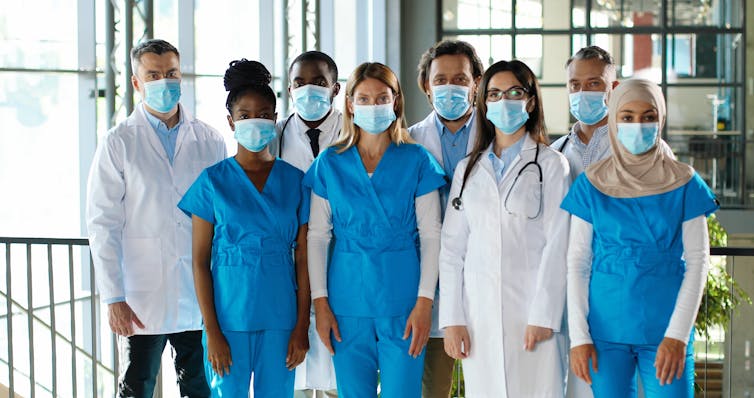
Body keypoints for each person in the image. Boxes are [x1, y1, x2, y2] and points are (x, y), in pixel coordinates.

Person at [561, 78, 719, 398]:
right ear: (614, 120)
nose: (638, 125)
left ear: (660, 119)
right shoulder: (592, 183)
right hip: (605, 330)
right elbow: (577, 262)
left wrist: (678, 335)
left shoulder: (684, 181)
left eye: (648, 116)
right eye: (627, 116)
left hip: (665, 328)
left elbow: (699, 262)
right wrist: (579, 338)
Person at [86, 39, 226, 398]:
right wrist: (113, 296)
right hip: (140, 296)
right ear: (137, 82)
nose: (165, 81)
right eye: (154, 75)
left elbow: (222, 218)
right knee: (137, 386)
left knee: (199, 387)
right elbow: (103, 223)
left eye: (172, 74)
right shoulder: (119, 142)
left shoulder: (209, 140)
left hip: (199, 294)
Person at [304, 62, 446, 398]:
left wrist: (425, 303)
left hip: (405, 300)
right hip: (346, 301)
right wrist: (320, 304)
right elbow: (318, 237)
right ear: (350, 103)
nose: (373, 106)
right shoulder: (331, 162)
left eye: (382, 98)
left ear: (396, 102)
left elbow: (431, 234)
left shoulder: (417, 159)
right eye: (364, 99)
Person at [177, 59, 310, 397]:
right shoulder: (212, 182)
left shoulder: (296, 181)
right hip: (228, 319)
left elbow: (305, 259)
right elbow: (199, 262)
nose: (256, 122)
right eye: (246, 115)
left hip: (281, 319)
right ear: (231, 121)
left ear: (276, 119)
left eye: (264, 114)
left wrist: (301, 326)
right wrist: (213, 330)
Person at [440, 60, 571, 397]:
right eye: (494, 93)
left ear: (530, 101)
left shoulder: (552, 164)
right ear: (483, 104)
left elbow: (559, 244)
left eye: (514, 92)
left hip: (533, 316)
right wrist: (452, 318)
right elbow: (453, 250)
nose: (504, 100)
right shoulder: (468, 168)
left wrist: (545, 313)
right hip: (479, 316)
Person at [408, 39, 484, 398]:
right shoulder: (409, 143)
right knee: (432, 389)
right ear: (426, 86)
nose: (450, 87)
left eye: (460, 78)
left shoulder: (498, 139)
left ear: (476, 83)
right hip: (430, 293)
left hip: (488, 286)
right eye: (440, 80)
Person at [272, 50, 341, 398]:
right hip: (291, 269)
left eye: (319, 82)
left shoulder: (354, 133)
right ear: (288, 88)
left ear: (336, 89)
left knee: (338, 379)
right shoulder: (274, 135)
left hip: (342, 263)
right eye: (299, 83)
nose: (308, 90)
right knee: (296, 378)